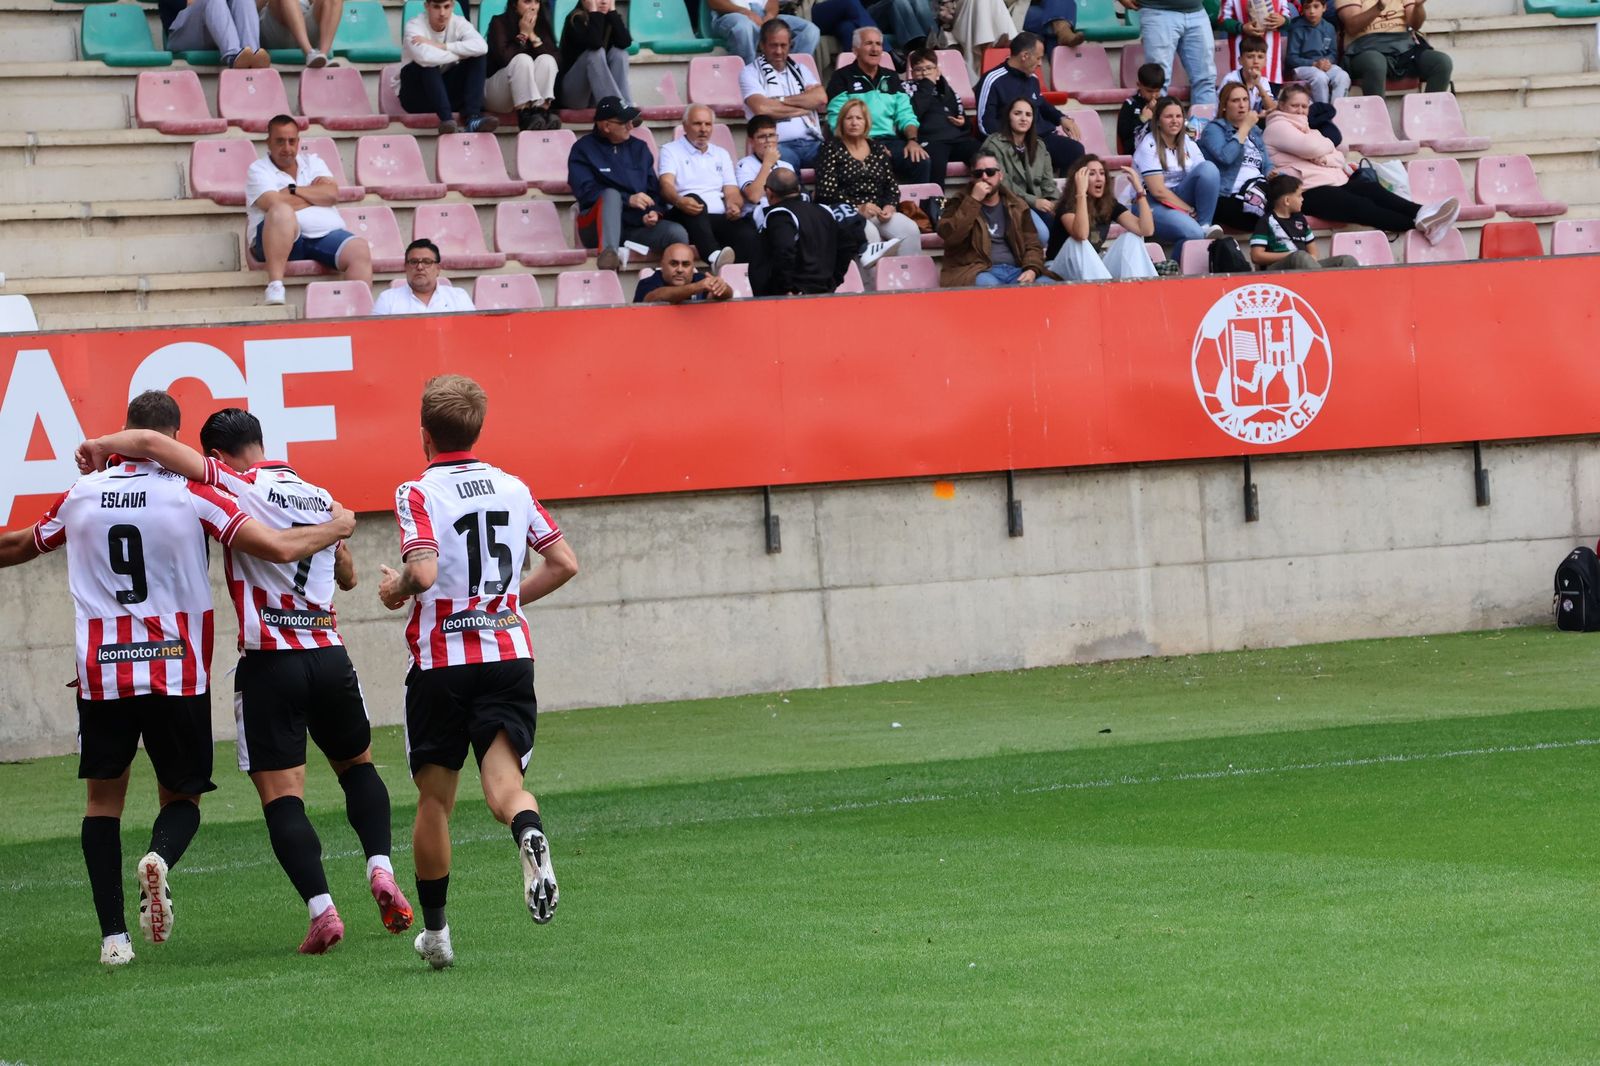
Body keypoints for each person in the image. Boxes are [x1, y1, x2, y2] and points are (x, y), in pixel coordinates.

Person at [0, 390, 354, 967]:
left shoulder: (81, 494)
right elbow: (277, 545)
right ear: (174, 439)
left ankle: (114, 938)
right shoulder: (196, 493)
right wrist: (336, 526)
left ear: (128, 430)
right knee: (183, 798)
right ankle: (160, 860)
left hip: (102, 672)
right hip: (177, 670)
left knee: (101, 803)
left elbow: (18, 545)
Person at [74, 409, 411, 957]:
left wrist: (99, 444)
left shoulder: (232, 483)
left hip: (270, 662)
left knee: (282, 797)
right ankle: (380, 866)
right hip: (329, 655)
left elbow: (147, 442)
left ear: (220, 455)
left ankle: (322, 910)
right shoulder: (318, 494)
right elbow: (347, 576)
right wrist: (336, 531)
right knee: (358, 767)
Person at [378, 375, 579, 970]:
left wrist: (395, 589)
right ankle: (528, 833)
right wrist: (505, 603)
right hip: (507, 656)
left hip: (443, 662)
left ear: (424, 434)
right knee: (505, 788)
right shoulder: (514, 487)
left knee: (435, 802)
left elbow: (422, 570)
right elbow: (564, 562)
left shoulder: (417, 491)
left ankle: (437, 935)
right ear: (478, 428)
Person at [1264, 83, 1457, 238]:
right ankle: (1420, 225)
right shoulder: (1277, 126)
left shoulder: (1309, 130)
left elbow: (1339, 156)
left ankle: (1423, 211)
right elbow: (1315, 147)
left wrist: (1323, 153)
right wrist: (1325, 148)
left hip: (1334, 181)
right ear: (1282, 106)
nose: (1300, 110)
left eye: (1304, 106)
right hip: (1307, 191)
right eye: (1294, 105)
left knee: (1370, 189)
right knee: (1360, 205)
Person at [247, 114, 373, 307]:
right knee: (281, 212)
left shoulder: (313, 162)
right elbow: (273, 203)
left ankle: (357, 313)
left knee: (359, 249)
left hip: (323, 236)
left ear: (298, 142)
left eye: (291, 141)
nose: (287, 148)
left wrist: (293, 190)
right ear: (268, 142)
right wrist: (315, 196)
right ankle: (275, 285)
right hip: (279, 241)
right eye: (280, 141)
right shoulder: (258, 169)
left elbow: (331, 195)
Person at [568, 97, 690, 272]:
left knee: (676, 233)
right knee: (611, 195)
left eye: (631, 121)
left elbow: (653, 191)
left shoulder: (640, 148)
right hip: (597, 226)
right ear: (605, 126)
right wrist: (627, 199)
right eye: (624, 122)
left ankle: (672, 283)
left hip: (635, 224)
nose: (631, 127)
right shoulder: (583, 149)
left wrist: (654, 213)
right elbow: (585, 192)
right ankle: (608, 255)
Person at [658, 104, 760, 269]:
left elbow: (731, 190)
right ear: (684, 126)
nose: (703, 129)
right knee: (694, 199)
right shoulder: (670, 150)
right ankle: (713, 256)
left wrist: (734, 205)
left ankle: (741, 279)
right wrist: (679, 201)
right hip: (683, 213)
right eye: (697, 124)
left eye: (708, 124)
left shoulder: (721, 153)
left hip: (715, 216)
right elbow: (665, 185)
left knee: (746, 233)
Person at [826, 28, 931, 183]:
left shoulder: (891, 76)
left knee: (920, 160)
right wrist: (867, 146)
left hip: (891, 141)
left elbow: (905, 114)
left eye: (878, 44)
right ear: (855, 50)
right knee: (876, 162)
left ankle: (919, 207)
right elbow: (837, 120)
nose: (875, 49)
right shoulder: (841, 77)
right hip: (856, 142)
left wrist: (913, 141)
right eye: (868, 43)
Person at [816, 99, 921, 251]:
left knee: (909, 229)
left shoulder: (877, 148)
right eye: (849, 118)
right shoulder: (830, 148)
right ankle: (873, 276)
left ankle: (906, 275)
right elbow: (826, 192)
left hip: (878, 211)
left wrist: (889, 206)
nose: (854, 123)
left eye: (859, 118)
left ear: (866, 122)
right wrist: (858, 207)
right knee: (869, 234)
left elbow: (891, 186)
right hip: (846, 211)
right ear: (841, 122)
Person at [975, 33, 1083, 176]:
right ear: (1025, 56)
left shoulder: (1033, 78)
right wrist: (1013, 140)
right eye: (1038, 58)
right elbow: (985, 124)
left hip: (1039, 139)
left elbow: (1041, 102)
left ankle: (1064, 195)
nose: (1040, 64)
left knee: (1074, 150)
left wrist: (1061, 118)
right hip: (1010, 142)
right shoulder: (992, 80)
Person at [937, 151, 1048, 286]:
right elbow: (951, 236)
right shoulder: (958, 202)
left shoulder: (1017, 204)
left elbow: (1032, 244)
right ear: (972, 178)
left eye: (990, 172)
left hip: (1015, 270)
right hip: (976, 271)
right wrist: (974, 200)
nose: (984, 177)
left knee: (1047, 284)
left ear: (1000, 175)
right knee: (990, 287)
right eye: (979, 174)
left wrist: (1032, 269)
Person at [754, 168, 865, 295]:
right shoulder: (824, 210)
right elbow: (848, 244)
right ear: (799, 189)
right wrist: (833, 281)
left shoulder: (779, 215)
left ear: (768, 192)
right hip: (823, 293)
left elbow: (784, 251)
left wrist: (784, 288)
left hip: (788, 300)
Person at [1046, 153, 1157, 280]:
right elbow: (1081, 234)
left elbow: (1146, 230)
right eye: (1092, 174)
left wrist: (1139, 191)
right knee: (1078, 243)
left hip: (1090, 268)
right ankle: (1105, 295)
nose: (1099, 178)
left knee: (1132, 238)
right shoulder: (1067, 205)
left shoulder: (1109, 204)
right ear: (1079, 178)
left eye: (1102, 173)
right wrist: (1081, 193)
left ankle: (1142, 293)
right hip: (1058, 267)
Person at [1133, 95, 1222, 253]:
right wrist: (1187, 210)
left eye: (1178, 116)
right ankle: (1180, 266)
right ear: (1158, 120)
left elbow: (1204, 175)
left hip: (1179, 195)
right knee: (1193, 233)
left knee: (1209, 169)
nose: (1175, 121)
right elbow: (1158, 192)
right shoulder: (1149, 145)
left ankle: (1204, 225)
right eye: (1168, 116)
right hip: (1149, 202)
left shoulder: (1188, 142)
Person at [398, 0, 499, 134]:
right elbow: (425, 58)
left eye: (446, 7)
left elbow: (482, 47)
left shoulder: (459, 22)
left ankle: (473, 118)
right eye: (436, 7)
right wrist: (461, 54)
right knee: (427, 64)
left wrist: (442, 46)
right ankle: (447, 121)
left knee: (478, 57)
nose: (442, 13)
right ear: (427, 6)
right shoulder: (414, 26)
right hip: (415, 96)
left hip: (443, 92)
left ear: (452, 6)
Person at [740, 20, 826, 169]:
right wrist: (803, 108)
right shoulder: (750, 72)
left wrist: (779, 100)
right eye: (774, 45)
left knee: (837, 155)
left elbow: (820, 98)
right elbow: (762, 109)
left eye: (783, 45)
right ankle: (801, 193)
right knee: (785, 162)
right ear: (762, 45)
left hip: (812, 143)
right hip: (777, 145)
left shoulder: (801, 69)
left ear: (789, 45)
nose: (779, 51)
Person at [980, 97, 1057, 250]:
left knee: (1069, 222)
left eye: (1028, 115)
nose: (1023, 118)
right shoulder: (994, 143)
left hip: (1038, 204)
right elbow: (1002, 184)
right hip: (1009, 204)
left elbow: (1048, 182)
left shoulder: (1039, 146)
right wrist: (1034, 201)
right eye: (1018, 113)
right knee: (1041, 234)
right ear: (1008, 116)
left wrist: (1054, 202)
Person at [1198, 81, 1273, 231]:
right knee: (1274, 216)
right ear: (1224, 106)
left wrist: (1272, 174)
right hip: (1228, 195)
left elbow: (1267, 164)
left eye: (1245, 100)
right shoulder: (1213, 130)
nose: (1242, 105)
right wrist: (1244, 127)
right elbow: (1226, 157)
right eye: (1235, 100)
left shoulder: (1255, 131)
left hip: (1258, 189)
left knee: (1290, 191)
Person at [1337, 0, 1451, 98]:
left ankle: (1430, 116)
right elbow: (1352, 26)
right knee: (1375, 62)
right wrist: (1379, 6)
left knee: (1441, 62)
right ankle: (1378, 119)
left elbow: (1415, 25)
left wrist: (1418, 6)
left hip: (1403, 47)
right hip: (1364, 48)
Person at [1115, 0, 1218, 108]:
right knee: (1157, 80)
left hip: (1197, 11)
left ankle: (1205, 124)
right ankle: (1156, 123)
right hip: (1157, 10)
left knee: (1206, 78)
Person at [1250, 173, 1359, 270]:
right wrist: (1291, 255)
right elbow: (1256, 256)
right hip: (1277, 271)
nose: (1302, 199)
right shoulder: (1265, 221)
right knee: (1299, 257)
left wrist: (1305, 258)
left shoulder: (1301, 220)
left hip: (1305, 267)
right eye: (1299, 195)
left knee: (1346, 260)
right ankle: (1323, 288)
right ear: (1287, 201)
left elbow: (1313, 254)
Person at [905, 47, 976, 187]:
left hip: (956, 140)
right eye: (919, 69)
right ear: (912, 73)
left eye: (929, 68)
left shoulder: (947, 90)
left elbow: (962, 117)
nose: (924, 73)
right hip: (931, 141)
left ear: (937, 71)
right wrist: (927, 85)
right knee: (934, 165)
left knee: (985, 158)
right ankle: (934, 207)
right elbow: (913, 113)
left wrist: (963, 123)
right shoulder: (906, 89)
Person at [486, 0, 560, 131]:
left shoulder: (542, 24)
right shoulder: (499, 22)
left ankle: (541, 112)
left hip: (530, 96)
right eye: (527, 2)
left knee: (547, 60)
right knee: (523, 60)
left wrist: (533, 36)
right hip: (496, 92)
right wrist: (523, 34)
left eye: (537, 2)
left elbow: (556, 61)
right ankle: (524, 117)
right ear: (514, 4)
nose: (533, 7)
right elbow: (505, 59)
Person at [558, 0, 633, 113]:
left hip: (596, 96)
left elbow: (625, 42)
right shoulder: (575, 19)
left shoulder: (610, 18)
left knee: (620, 53)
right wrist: (594, 12)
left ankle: (626, 105)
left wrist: (612, 11)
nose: (603, 1)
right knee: (595, 54)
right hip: (573, 96)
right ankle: (616, 109)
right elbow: (595, 44)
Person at [372, 239, 477, 315]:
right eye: (413, 262)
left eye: (427, 262)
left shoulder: (458, 297)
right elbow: (376, 338)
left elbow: (471, 332)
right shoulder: (388, 299)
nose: (420, 267)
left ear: (438, 269)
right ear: (405, 267)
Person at [158, 0, 268, 69]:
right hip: (180, 35)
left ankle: (252, 55)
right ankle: (233, 56)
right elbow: (190, 2)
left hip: (214, 30)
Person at [706, 0, 820, 64]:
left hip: (762, 15)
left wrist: (770, 16)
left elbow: (772, 2)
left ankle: (788, 73)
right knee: (743, 26)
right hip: (731, 14)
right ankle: (751, 77)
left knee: (810, 30)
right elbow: (714, 2)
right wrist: (745, 12)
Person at [736, 115, 797, 231]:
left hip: (787, 212)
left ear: (777, 138)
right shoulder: (744, 165)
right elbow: (753, 197)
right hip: (757, 216)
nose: (768, 141)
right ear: (751, 141)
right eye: (762, 137)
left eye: (771, 135)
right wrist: (767, 164)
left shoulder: (787, 166)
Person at [1285, 0, 1350, 104]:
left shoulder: (1329, 27)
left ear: (1324, 8)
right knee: (1320, 77)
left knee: (1343, 76)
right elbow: (1292, 58)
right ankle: (1322, 112)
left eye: (1316, 6)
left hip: (1323, 66)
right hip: (1302, 68)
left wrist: (1327, 62)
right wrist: (1314, 64)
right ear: (1302, 9)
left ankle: (1336, 111)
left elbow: (1333, 53)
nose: (1311, 11)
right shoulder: (1297, 28)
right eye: (1307, 7)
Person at [634, 241, 735, 302]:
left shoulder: (699, 279)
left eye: (686, 264)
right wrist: (696, 287)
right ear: (662, 265)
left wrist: (722, 287)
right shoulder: (647, 283)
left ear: (692, 267)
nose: (680, 270)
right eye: (673, 264)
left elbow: (726, 295)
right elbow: (658, 296)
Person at [1217, 0, 1294, 78]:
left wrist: (1283, 20)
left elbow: (1288, 16)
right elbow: (1222, 20)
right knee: (1242, 85)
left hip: (1271, 64)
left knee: (1269, 88)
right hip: (1242, 58)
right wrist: (1242, 28)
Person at [259, 0, 343, 68]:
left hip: (304, 21)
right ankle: (309, 53)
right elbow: (253, 6)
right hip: (276, 27)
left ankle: (323, 56)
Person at [1218, 34, 1278, 114]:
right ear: (1240, 60)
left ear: (1265, 62)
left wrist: (1258, 86)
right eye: (1250, 57)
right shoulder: (1230, 79)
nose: (1256, 61)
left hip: (1253, 123)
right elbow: (1224, 111)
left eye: (1260, 57)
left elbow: (1272, 109)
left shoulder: (1263, 81)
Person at [1117, 61, 1164, 156]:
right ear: (1139, 85)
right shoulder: (1130, 104)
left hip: (1162, 150)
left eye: (1157, 91)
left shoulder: (1164, 103)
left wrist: (1158, 114)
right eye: (1149, 91)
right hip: (1137, 152)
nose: (1154, 95)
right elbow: (1124, 133)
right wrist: (1142, 118)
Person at [1021, 0, 1085, 47]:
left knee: (1055, 13)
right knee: (1055, 18)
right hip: (1018, 8)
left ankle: (1063, 32)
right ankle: (1064, 32)